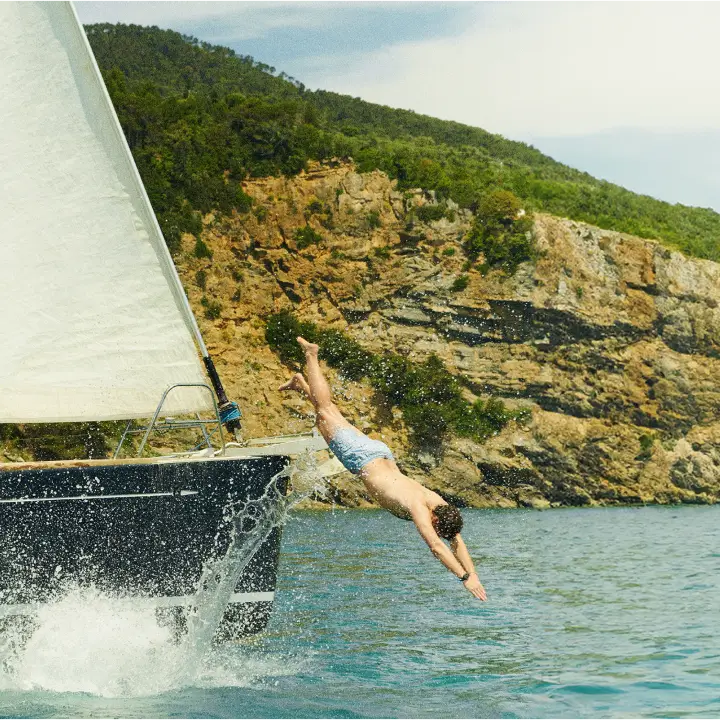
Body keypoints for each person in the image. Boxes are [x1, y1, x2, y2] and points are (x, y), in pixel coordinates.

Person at [280, 336, 487, 601]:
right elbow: (436, 546)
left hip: (379, 454)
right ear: (435, 519)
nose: (435, 530)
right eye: (435, 527)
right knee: (325, 411)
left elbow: (456, 541)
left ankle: (301, 384)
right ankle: (311, 355)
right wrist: (464, 578)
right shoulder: (419, 507)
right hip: (362, 458)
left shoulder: (439, 503)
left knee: (331, 414)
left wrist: (473, 573)